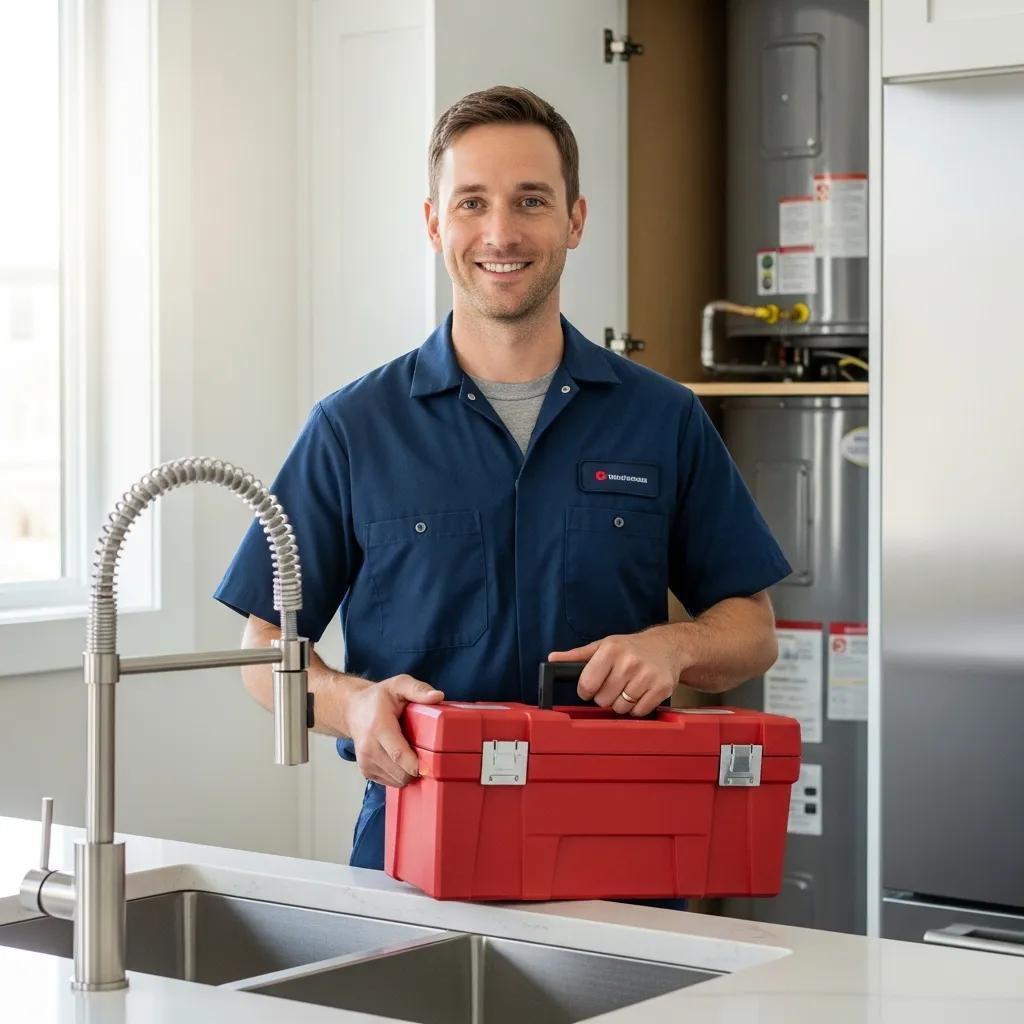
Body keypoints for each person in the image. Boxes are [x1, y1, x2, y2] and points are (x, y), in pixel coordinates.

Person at [214, 85, 791, 878]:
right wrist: (355, 703)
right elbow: (263, 651)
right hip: (418, 855)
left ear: (575, 220)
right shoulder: (352, 429)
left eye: (531, 201)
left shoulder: (663, 420)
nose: (501, 233)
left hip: (621, 857)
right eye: (472, 203)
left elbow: (752, 630)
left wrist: (674, 646)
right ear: (433, 223)